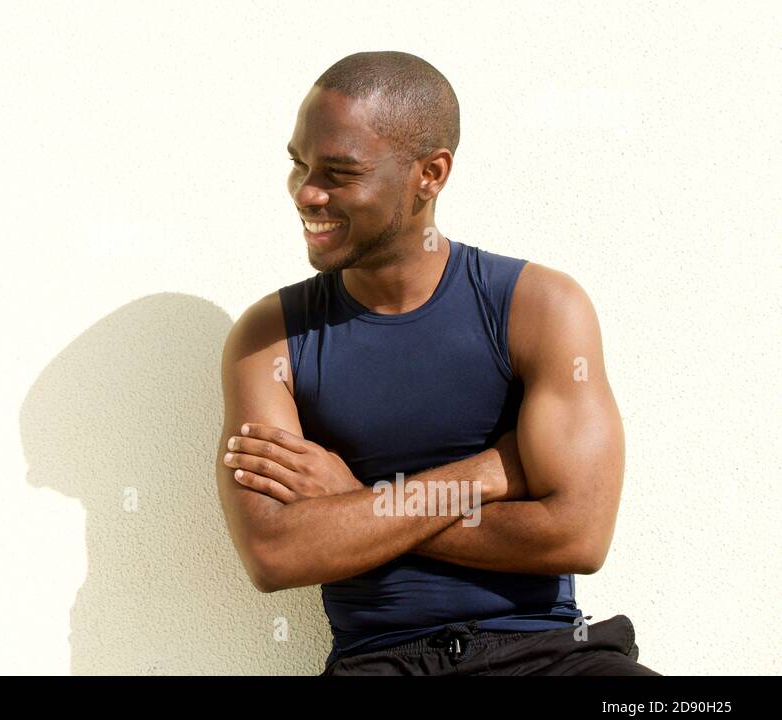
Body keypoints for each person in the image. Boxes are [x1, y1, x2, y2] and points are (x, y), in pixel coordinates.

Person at [214, 51, 659, 675]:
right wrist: (486, 474)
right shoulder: (271, 339)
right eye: (298, 163)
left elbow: (578, 535)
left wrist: (361, 503)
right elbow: (276, 553)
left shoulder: (539, 308)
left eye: (340, 172)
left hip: (548, 657)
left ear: (431, 173)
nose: (308, 193)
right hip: (380, 664)